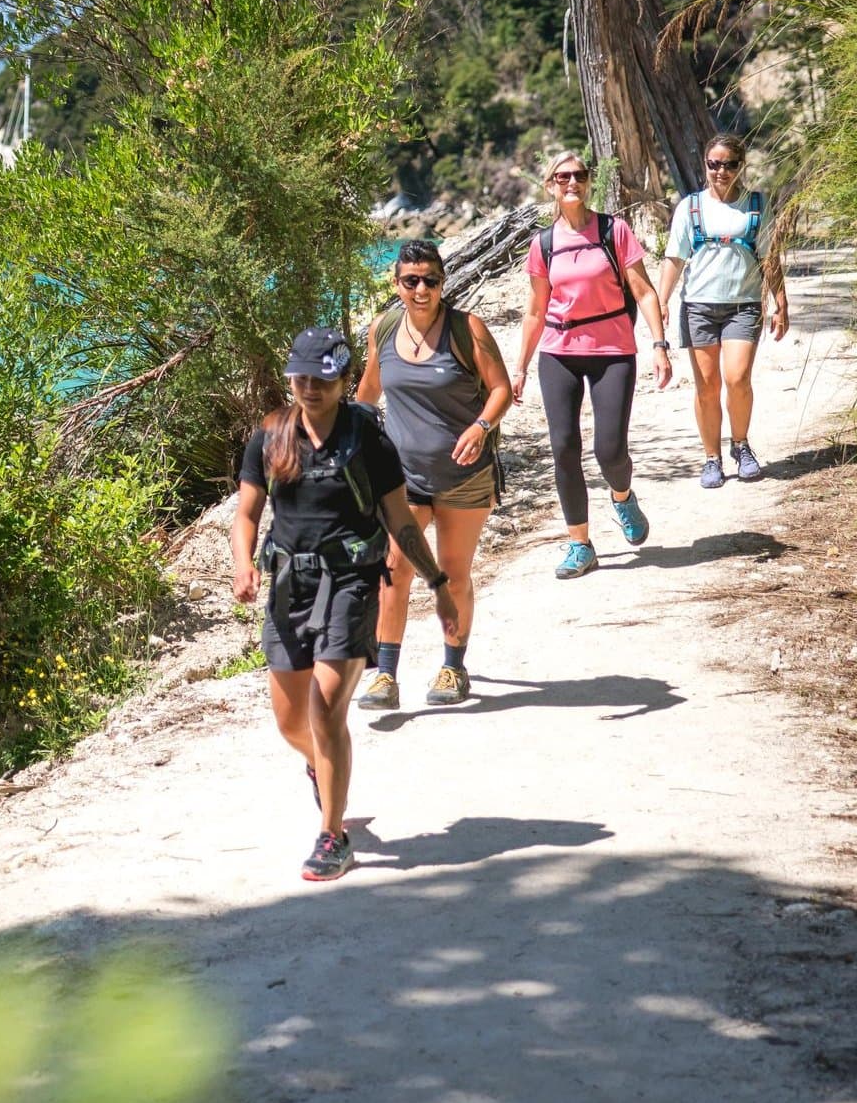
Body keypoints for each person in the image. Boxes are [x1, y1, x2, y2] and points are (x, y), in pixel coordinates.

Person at [232, 327, 460, 883]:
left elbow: (401, 522)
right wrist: (242, 562)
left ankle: (333, 836)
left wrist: (437, 582)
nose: (309, 388)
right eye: (301, 378)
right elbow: (246, 514)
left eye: (321, 379)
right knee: (292, 724)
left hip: (351, 586)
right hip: (289, 587)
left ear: (340, 380)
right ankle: (321, 767)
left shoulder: (368, 441)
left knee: (327, 709)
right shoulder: (270, 437)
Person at [353, 240, 512, 710]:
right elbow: (368, 390)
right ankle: (385, 676)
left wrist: (481, 427)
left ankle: (453, 667)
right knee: (393, 571)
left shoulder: (467, 330)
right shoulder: (382, 330)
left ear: (443, 282)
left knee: (452, 574)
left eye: (431, 280)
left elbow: (501, 389)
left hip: (464, 479)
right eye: (411, 281)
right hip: (405, 480)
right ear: (396, 284)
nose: (421, 289)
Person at [509, 150, 674, 578]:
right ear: (550, 186)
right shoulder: (543, 244)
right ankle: (580, 544)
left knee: (609, 449)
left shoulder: (613, 231)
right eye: (562, 177)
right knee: (564, 447)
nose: (571, 183)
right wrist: (520, 367)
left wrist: (659, 344)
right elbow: (534, 309)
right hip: (558, 350)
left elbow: (644, 291)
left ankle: (622, 497)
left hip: (612, 351)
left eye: (578, 175)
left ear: (587, 182)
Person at [655, 133, 790, 487]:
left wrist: (781, 301)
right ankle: (711, 458)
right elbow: (675, 257)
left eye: (729, 164)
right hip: (698, 306)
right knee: (707, 387)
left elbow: (769, 257)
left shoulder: (757, 205)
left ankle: (741, 445)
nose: (721, 172)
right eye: (714, 164)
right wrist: (662, 300)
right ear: (705, 165)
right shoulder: (691, 207)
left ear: (740, 166)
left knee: (737, 378)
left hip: (743, 306)